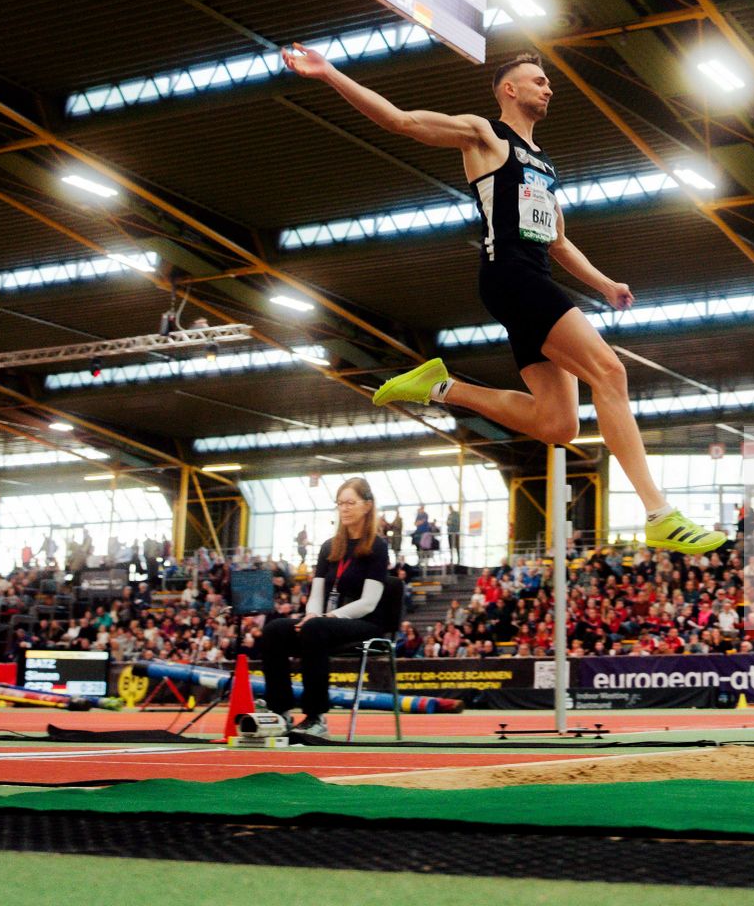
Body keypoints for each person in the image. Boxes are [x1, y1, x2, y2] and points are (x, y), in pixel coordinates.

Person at [285, 44, 726, 556]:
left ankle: (441, 387)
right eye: (538, 80)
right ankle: (659, 512)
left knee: (559, 424)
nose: (549, 86)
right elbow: (400, 121)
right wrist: (329, 72)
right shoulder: (485, 135)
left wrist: (604, 284)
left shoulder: (544, 165)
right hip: (511, 278)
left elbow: (557, 240)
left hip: (532, 278)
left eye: (548, 81)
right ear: (509, 89)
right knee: (610, 372)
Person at [255, 478, 391, 738]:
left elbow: (369, 602)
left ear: (367, 506)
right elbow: (317, 592)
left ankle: (316, 717)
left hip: (365, 622)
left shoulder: (377, 547)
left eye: (351, 502)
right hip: (326, 622)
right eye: (340, 503)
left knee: (315, 628)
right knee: (275, 630)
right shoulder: (330, 546)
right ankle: (279, 710)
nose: (345, 508)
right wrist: (312, 615)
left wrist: (327, 617)